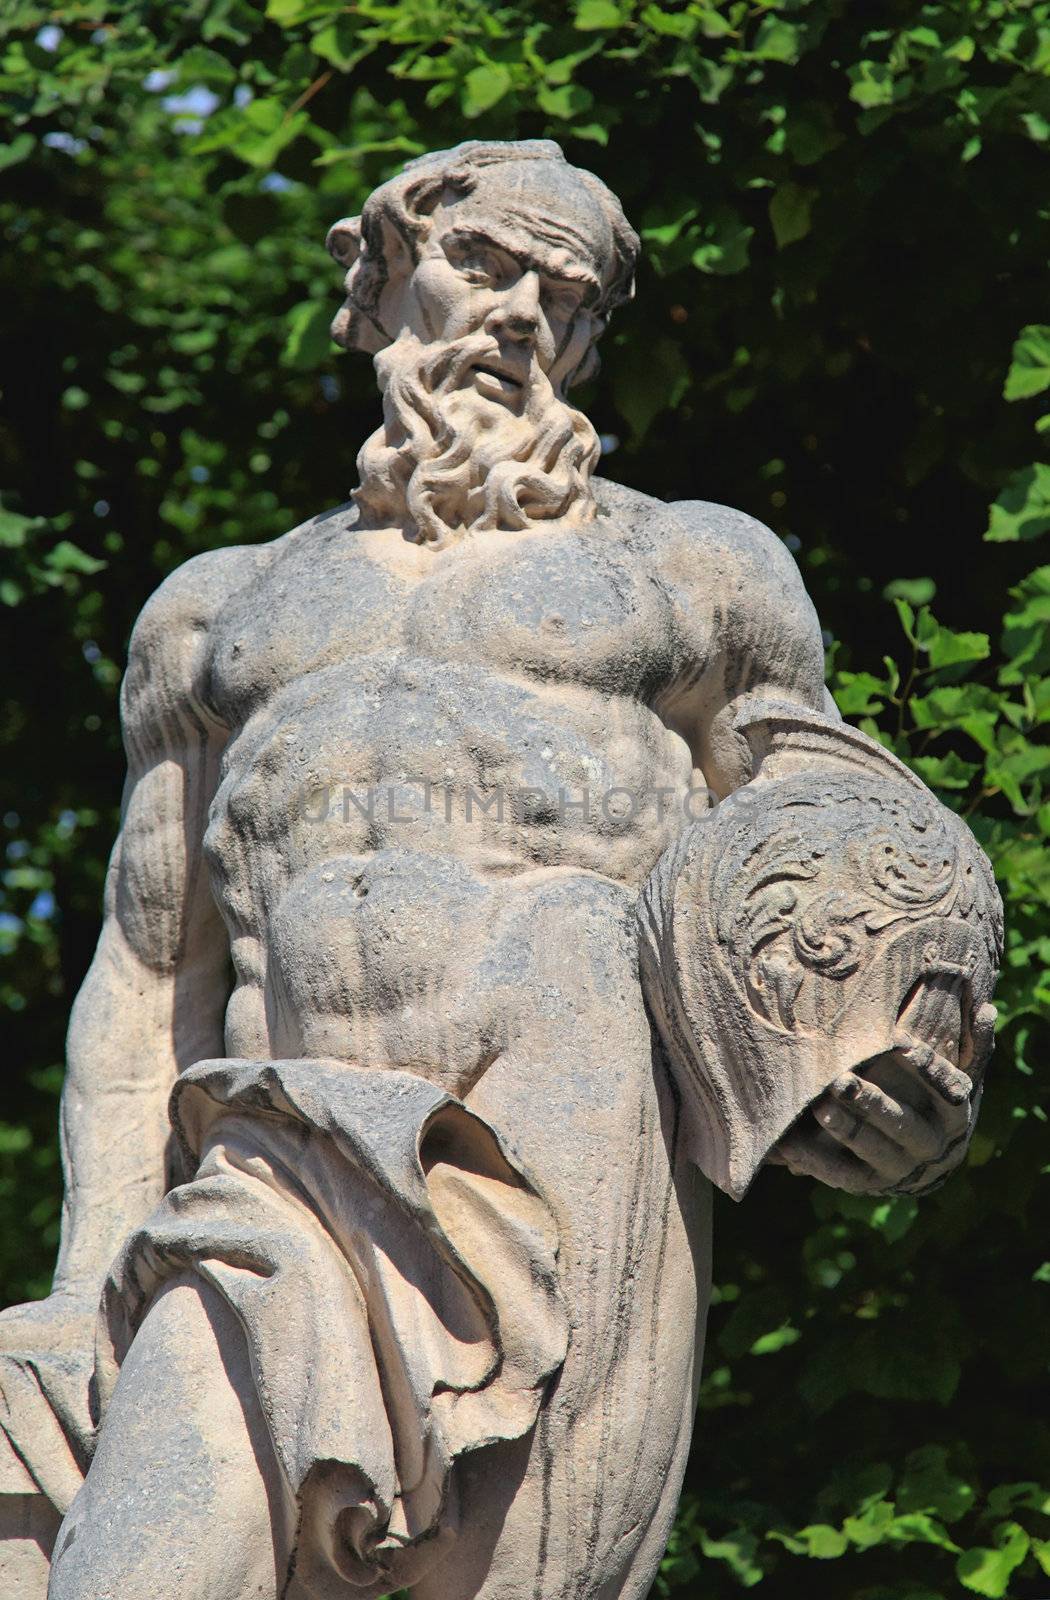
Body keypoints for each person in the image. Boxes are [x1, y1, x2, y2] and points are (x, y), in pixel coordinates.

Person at [0, 140, 1000, 1599]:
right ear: (384, 269)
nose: (520, 315)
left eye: (567, 296)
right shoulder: (216, 611)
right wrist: (86, 1277)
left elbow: (839, 852)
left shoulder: (694, 570)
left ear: (590, 341)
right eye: (485, 265)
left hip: (560, 1132)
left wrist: (909, 1071)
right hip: (266, 1155)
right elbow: (152, 970)